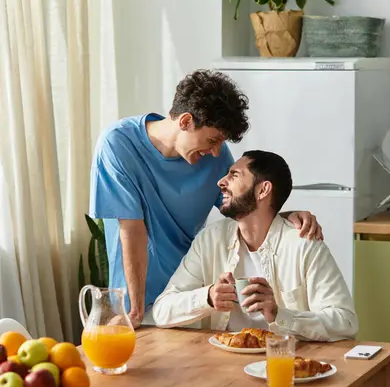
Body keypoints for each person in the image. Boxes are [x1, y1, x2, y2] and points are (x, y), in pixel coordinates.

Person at [90, 70, 323, 328]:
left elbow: (244, 209)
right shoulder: (118, 145)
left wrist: (285, 216)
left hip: (187, 304)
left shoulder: (215, 156)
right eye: (212, 140)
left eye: (219, 143)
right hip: (133, 305)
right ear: (186, 121)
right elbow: (132, 230)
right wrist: (133, 309)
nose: (215, 151)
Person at [153, 151, 358, 341]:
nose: (221, 182)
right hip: (220, 363)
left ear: (263, 190)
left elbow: (345, 322)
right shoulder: (210, 239)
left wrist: (279, 314)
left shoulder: (303, 245)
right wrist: (207, 297)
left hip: (283, 363)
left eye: (234, 175)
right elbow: (162, 311)